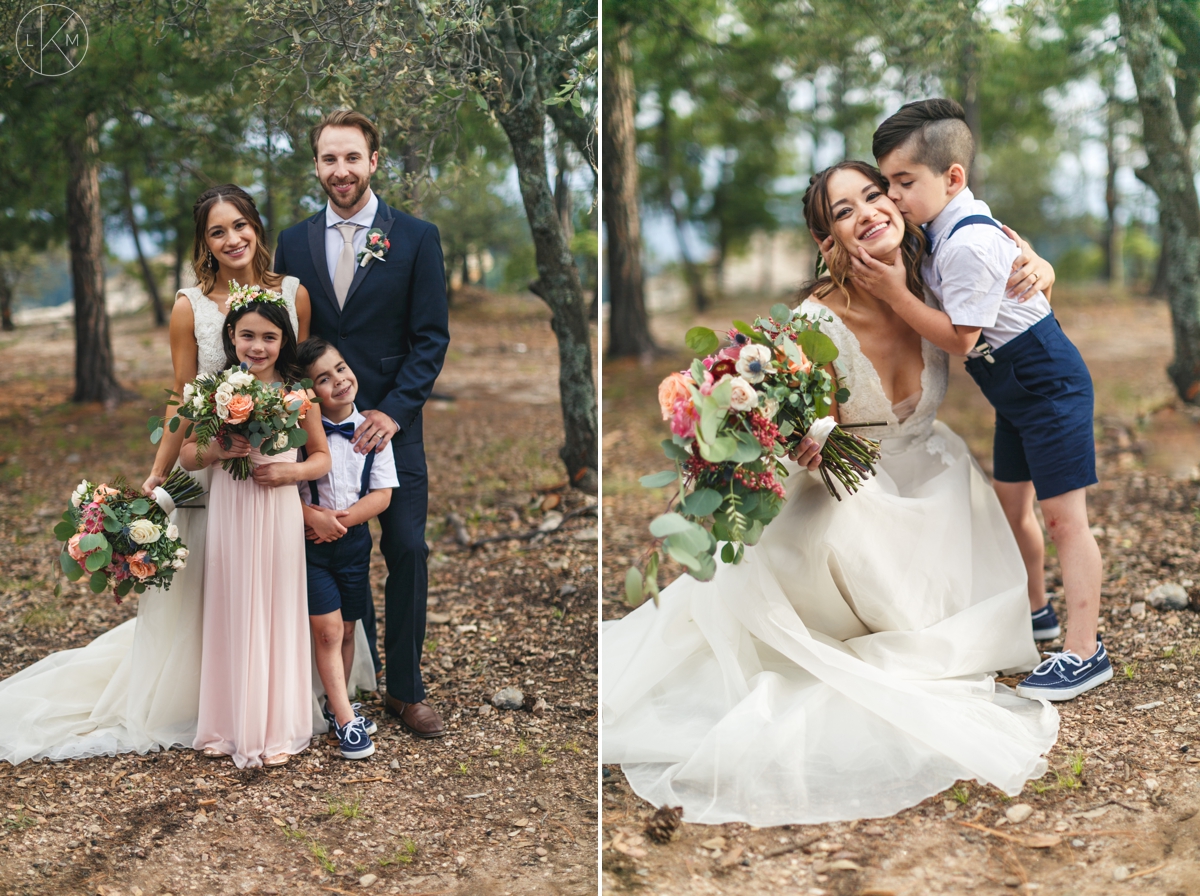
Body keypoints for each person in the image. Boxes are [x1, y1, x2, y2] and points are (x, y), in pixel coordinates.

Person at [602, 160, 1060, 827]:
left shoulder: (935, 269)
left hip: (934, 477)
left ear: (900, 205)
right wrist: (804, 437)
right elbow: (776, 419)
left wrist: (1043, 267)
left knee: (954, 567)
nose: (868, 212)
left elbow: (1011, 263)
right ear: (829, 242)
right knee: (849, 533)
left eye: (875, 195)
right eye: (844, 211)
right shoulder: (812, 321)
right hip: (845, 482)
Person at [0, 185, 317, 764]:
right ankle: (211, 702)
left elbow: (300, 382)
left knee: (261, 585)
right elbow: (182, 394)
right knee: (205, 588)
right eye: (217, 231)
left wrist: (307, 477)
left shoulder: (292, 295)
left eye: (240, 225)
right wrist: (158, 474)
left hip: (273, 472)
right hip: (209, 466)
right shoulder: (188, 306)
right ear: (204, 242)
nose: (232, 239)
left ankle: (269, 697)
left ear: (257, 227)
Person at [862, 99, 1109, 701]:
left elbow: (958, 339)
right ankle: (1036, 611)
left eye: (903, 183)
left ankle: (1084, 651)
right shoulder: (947, 229)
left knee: (1063, 521)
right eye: (887, 183)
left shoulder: (965, 242)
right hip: (1015, 390)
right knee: (1011, 508)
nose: (892, 198)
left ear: (952, 178)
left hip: (1046, 383)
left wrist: (896, 294)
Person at [274, 110, 451, 738]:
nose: (340, 171)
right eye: (329, 159)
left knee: (405, 547)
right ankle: (350, 684)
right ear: (317, 165)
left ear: (373, 162)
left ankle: (405, 689)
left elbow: (430, 339)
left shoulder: (417, 237)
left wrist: (394, 412)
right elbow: (289, 339)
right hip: (320, 433)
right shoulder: (292, 243)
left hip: (392, 426)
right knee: (339, 548)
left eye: (352, 158)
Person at [181, 293, 331, 768]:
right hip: (232, 507)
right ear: (231, 337)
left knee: (276, 604)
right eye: (248, 335)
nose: (258, 346)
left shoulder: (298, 393)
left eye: (269, 337)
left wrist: (293, 473)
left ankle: (278, 725)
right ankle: (228, 723)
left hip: (278, 508)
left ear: (284, 340)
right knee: (233, 602)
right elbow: (187, 455)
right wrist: (218, 450)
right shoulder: (212, 391)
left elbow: (322, 456)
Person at [298, 337, 399, 760]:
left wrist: (341, 522)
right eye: (324, 378)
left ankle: (335, 699)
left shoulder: (373, 429)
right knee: (327, 630)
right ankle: (344, 720)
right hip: (310, 547)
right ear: (309, 392)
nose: (339, 380)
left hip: (353, 543)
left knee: (349, 628)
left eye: (340, 368)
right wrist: (312, 516)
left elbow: (383, 494)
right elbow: (285, 490)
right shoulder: (299, 435)